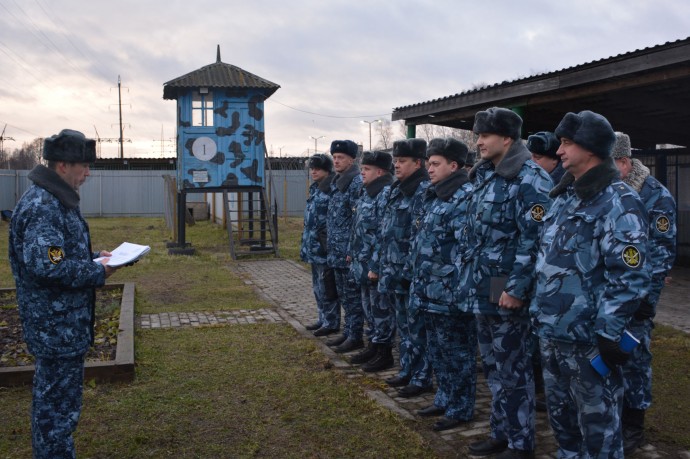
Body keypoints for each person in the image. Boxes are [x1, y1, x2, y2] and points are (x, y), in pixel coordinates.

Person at [531, 112, 650, 458]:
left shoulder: (619, 201)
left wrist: (609, 333)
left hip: (589, 341)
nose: (560, 149)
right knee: (563, 425)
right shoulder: (566, 197)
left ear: (592, 148)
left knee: (599, 431)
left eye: (567, 143)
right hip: (553, 333)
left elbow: (628, 277)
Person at [8, 129, 118, 459]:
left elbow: (57, 255)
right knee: (55, 412)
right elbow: (50, 267)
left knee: (57, 406)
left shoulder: (55, 199)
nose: (88, 173)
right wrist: (99, 271)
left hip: (60, 326)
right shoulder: (45, 207)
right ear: (62, 166)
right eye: (83, 166)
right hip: (55, 328)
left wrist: (92, 257)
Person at [458, 108, 552, 459]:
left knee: (513, 367)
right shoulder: (486, 175)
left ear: (507, 139)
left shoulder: (531, 178)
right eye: (477, 135)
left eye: (484, 135)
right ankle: (501, 431)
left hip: (506, 285)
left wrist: (515, 288)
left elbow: (535, 240)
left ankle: (520, 441)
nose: (478, 141)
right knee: (494, 365)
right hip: (486, 283)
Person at [612, 131, 676, 454]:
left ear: (623, 162)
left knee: (634, 360)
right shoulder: (611, 193)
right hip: (611, 299)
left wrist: (644, 305)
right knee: (609, 360)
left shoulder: (656, 196)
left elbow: (662, 256)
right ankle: (613, 419)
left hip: (637, 303)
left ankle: (633, 426)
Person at [408, 138, 477, 431]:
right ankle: (444, 396)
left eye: (436, 164)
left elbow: (467, 251)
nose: (429, 168)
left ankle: (460, 408)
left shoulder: (465, 197)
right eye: (429, 163)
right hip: (429, 290)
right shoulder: (436, 195)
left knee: (458, 353)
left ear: (454, 165)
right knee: (437, 350)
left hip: (450, 294)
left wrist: (458, 292)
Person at [378, 138, 433, 398]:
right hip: (394, 271)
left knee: (417, 328)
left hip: (411, 274)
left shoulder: (423, 190)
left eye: (402, 161)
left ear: (418, 163)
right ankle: (407, 369)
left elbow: (419, 237)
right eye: (395, 161)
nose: (396, 165)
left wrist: (411, 271)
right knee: (404, 326)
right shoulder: (397, 188)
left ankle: (422, 377)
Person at [347, 150, 395, 371]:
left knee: (380, 309)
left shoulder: (384, 193)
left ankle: (383, 352)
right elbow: (358, 227)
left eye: (366, 169)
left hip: (374, 265)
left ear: (380, 171)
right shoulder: (368, 192)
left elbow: (384, 234)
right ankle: (373, 345)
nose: (362, 173)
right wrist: (352, 251)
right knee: (368, 307)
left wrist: (375, 265)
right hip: (362, 262)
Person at [325, 140, 365, 353]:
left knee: (353, 297)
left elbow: (357, 220)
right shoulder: (338, 181)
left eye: (341, 157)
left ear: (352, 159)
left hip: (348, 254)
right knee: (344, 296)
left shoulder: (356, 182)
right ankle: (349, 331)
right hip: (336, 252)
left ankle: (356, 335)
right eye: (334, 157)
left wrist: (351, 250)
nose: (336, 161)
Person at [300, 153, 340, 337]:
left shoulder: (331, 188)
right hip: (314, 247)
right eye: (312, 168)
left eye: (318, 168)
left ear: (326, 169)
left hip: (324, 247)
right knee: (318, 287)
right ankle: (323, 318)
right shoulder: (316, 188)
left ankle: (331, 322)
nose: (313, 171)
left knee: (327, 287)